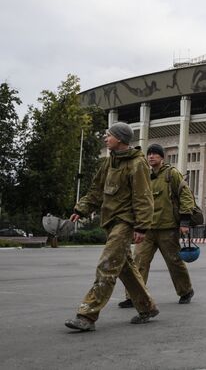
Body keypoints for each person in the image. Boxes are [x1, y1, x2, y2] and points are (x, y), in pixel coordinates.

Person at [64, 122, 159, 331]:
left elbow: (144, 198)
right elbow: (96, 190)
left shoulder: (137, 164)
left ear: (121, 139)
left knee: (107, 265)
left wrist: (142, 227)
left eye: (109, 135)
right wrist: (81, 209)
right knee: (125, 268)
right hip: (110, 221)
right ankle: (147, 307)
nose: (105, 138)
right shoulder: (109, 162)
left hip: (125, 222)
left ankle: (87, 315)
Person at [118, 144, 195, 309]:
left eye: (155, 154)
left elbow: (185, 195)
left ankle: (185, 291)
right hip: (145, 229)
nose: (151, 156)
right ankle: (134, 296)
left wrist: (185, 222)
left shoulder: (171, 174)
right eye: (149, 154)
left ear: (162, 157)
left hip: (167, 228)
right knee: (138, 263)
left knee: (175, 262)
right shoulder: (143, 175)